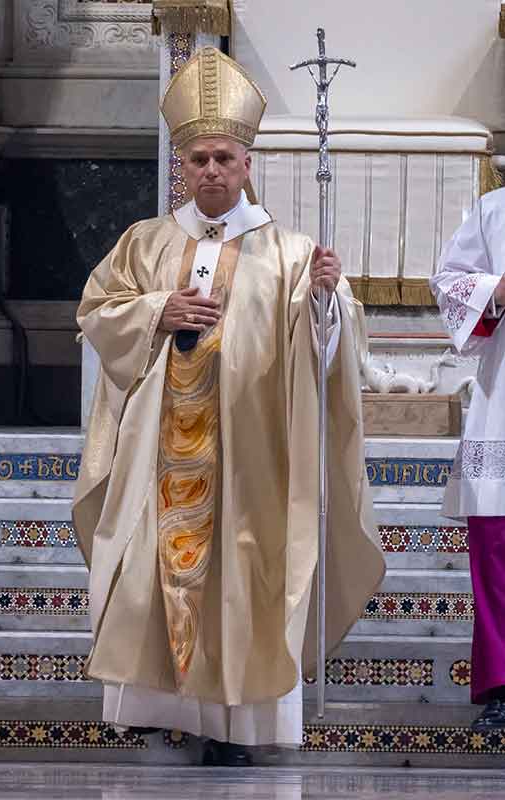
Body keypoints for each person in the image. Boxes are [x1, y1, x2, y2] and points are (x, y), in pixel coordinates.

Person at [73, 47, 384, 766]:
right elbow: (97, 311)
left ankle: (235, 728)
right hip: (159, 455)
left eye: (224, 158)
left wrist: (327, 301)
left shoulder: (291, 253)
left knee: (245, 579)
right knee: (149, 571)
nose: (211, 170)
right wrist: (157, 310)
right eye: (198, 159)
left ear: (248, 164)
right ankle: (160, 711)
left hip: (250, 458)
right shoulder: (145, 243)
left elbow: (327, 356)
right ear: (180, 165)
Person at [431, 188, 505, 732]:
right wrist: (494, 291)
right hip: (503, 398)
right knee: (498, 550)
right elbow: (449, 280)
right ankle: (503, 683)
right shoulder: (494, 210)